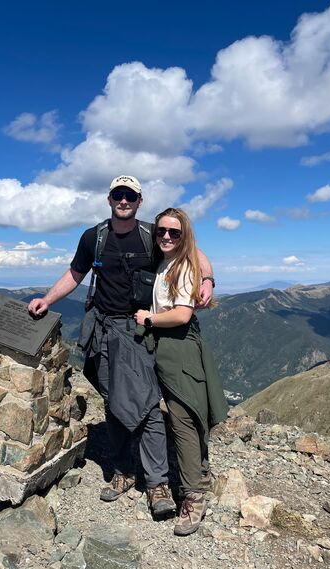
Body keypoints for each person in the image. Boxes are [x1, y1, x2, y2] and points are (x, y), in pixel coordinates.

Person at [28, 175, 215, 519]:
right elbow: (75, 273)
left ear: (139, 201)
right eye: (119, 194)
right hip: (100, 328)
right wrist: (47, 299)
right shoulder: (94, 237)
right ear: (109, 198)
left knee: (144, 405)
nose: (124, 200)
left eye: (130, 195)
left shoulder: (152, 235)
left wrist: (207, 279)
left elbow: (194, 253)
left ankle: (157, 482)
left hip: (135, 329)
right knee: (113, 402)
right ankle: (123, 471)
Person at [134, 207, 228, 536]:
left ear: (183, 234)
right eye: (162, 231)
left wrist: (147, 318)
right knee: (176, 415)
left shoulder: (183, 264)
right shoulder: (167, 259)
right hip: (162, 345)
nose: (167, 237)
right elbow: (200, 254)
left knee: (183, 418)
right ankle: (191, 481)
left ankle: (195, 495)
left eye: (175, 232)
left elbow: (182, 315)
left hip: (178, 344)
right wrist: (209, 277)